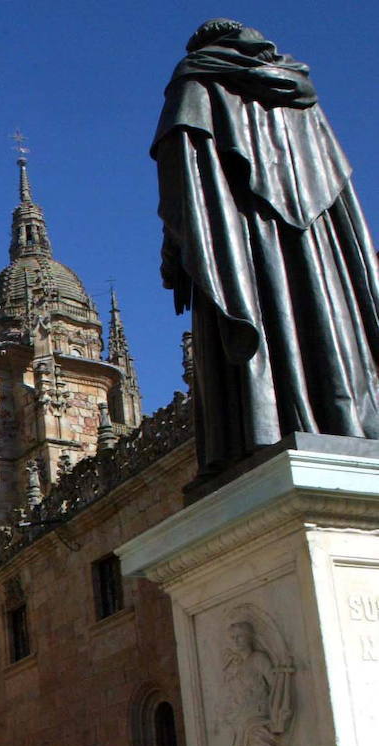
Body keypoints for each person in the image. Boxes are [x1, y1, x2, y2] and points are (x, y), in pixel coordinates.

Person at [153, 19, 379, 479]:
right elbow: (334, 183)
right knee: (322, 319)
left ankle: (264, 431)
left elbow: (184, 176)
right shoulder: (300, 95)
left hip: (242, 242)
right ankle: (340, 418)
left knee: (263, 324)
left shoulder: (197, 79)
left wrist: (176, 248)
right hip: (315, 244)